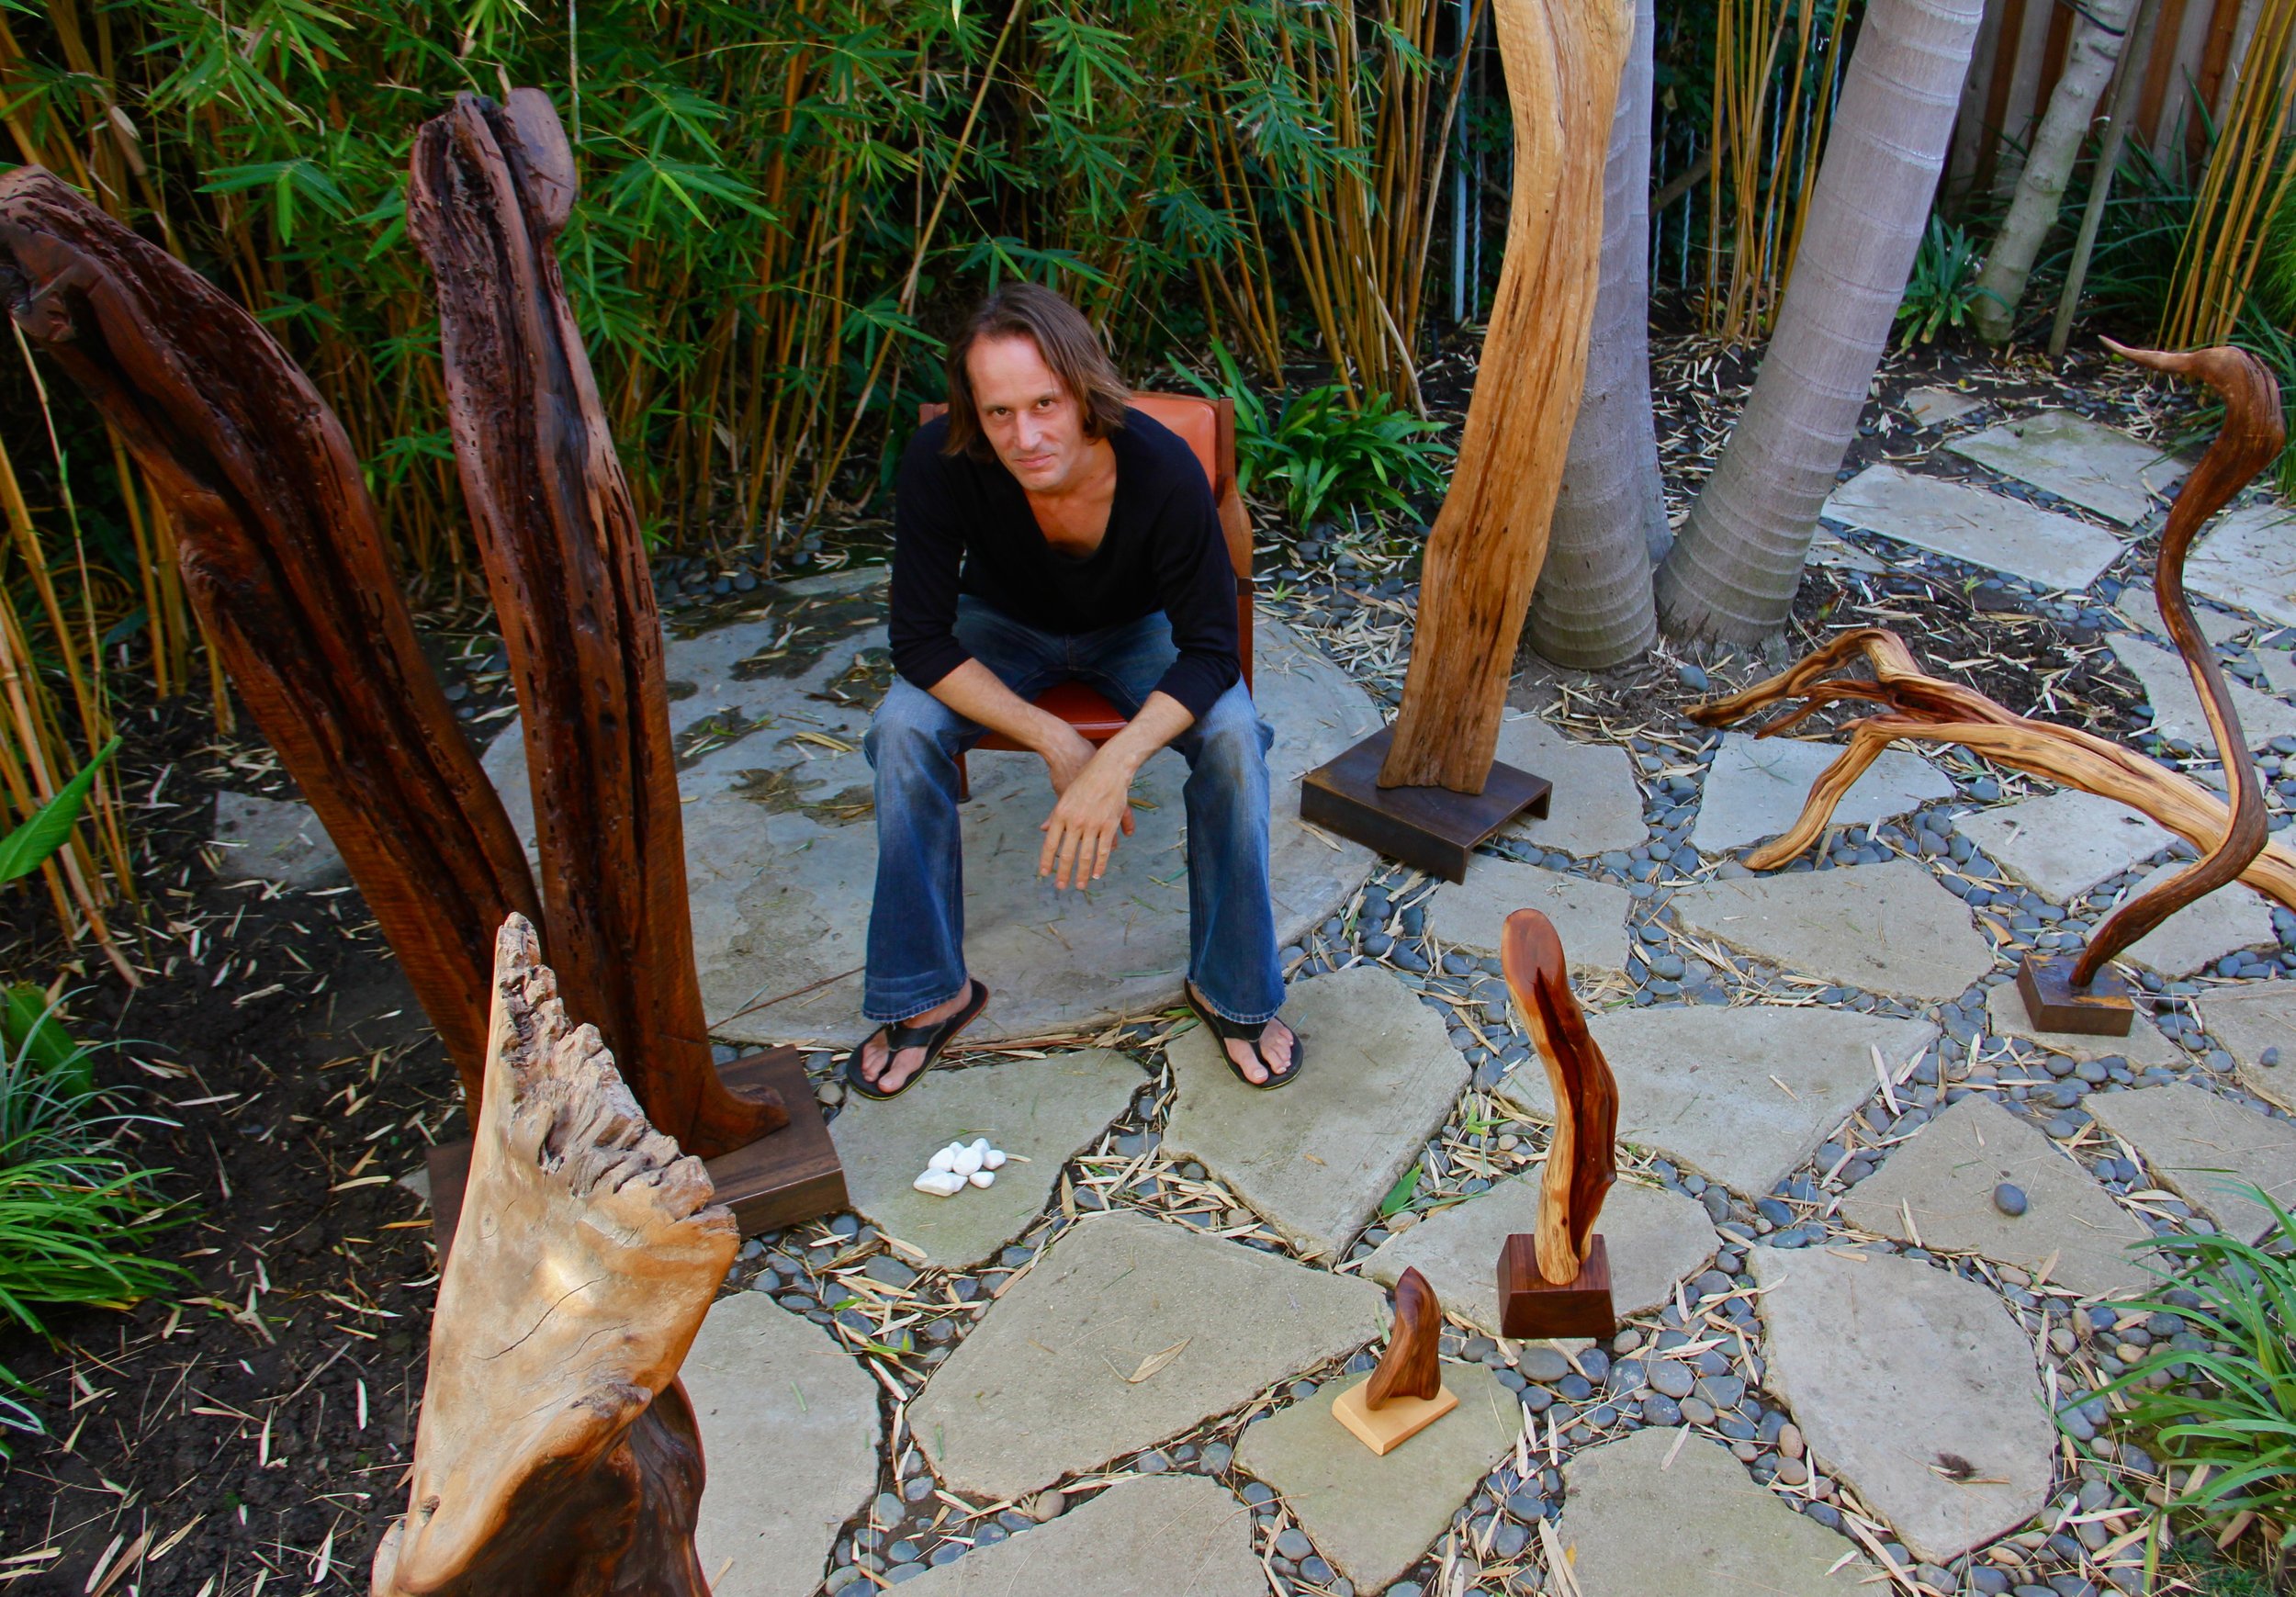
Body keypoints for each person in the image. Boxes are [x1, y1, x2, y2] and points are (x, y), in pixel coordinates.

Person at [848, 282, 1300, 1099]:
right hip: (1002, 627)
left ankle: (1234, 986)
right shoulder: (942, 460)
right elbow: (918, 639)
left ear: (1083, 388)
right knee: (901, 729)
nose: (1024, 435)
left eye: (1045, 403)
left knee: (1234, 738)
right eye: (998, 412)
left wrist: (1114, 762)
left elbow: (1209, 650)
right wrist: (1057, 739)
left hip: (1139, 629)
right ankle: (927, 990)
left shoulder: (1161, 467)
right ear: (972, 410)